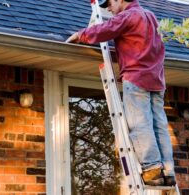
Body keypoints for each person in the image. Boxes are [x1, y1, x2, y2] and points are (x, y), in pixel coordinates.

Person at [66, 0, 176, 186]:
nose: (108, 8)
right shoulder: (151, 16)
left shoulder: (128, 16)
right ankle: (168, 170)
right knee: (159, 124)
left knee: (139, 123)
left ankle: (152, 169)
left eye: (109, 3)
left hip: (136, 77)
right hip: (156, 79)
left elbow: (105, 30)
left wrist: (80, 34)